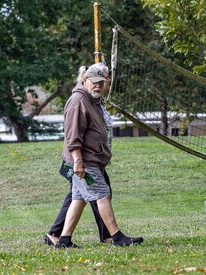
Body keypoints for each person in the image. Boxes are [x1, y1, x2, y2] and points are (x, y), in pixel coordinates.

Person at [50, 62, 143, 248]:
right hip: (84, 161)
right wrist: (78, 161)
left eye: (101, 82)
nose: (98, 85)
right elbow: (72, 136)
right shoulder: (78, 102)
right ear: (84, 80)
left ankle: (64, 239)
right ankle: (117, 237)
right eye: (94, 82)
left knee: (79, 198)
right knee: (102, 195)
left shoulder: (92, 100)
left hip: (90, 160)